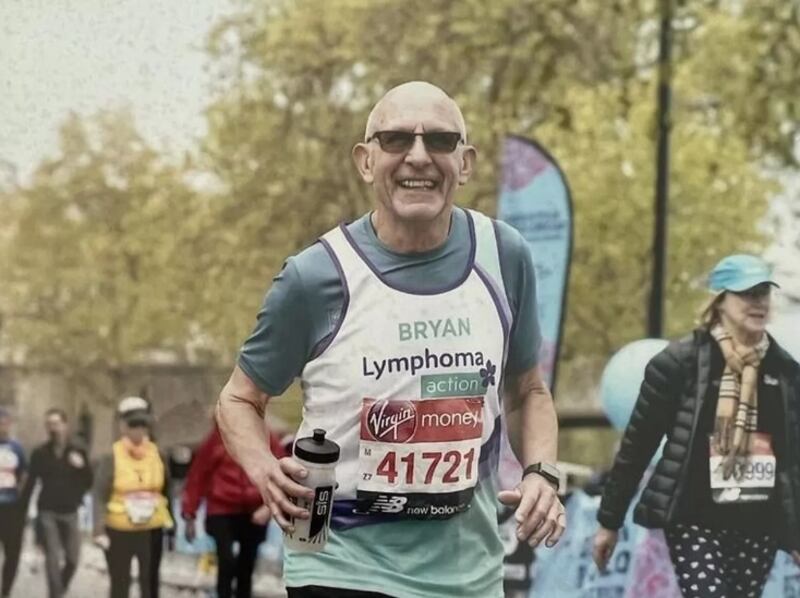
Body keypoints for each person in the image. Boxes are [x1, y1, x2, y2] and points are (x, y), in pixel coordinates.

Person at [216, 80, 565, 598]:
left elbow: (527, 392)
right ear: (365, 160)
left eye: (441, 142)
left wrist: (542, 474)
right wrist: (263, 469)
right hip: (340, 563)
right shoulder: (316, 277)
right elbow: (240, 398)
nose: (418, 157)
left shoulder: (503, 255)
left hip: (466, 576)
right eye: (397, 139)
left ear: (465, 164)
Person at [592, 254, 800, 598]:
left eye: (763, 292)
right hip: (693, 518)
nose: (758, 302)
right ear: (720, 299)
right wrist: (609, 522)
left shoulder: (784, 371)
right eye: (747, 293)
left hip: (757, 521)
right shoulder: (679, 363)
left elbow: (792, 460)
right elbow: (638, 445)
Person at [181, 420, 284, 598]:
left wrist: (269, 507)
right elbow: (198, 476)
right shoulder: (216, 439)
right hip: (221, 509)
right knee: (226, 561)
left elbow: (280, 473)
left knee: (247, 565)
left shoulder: (267, 438)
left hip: (255, 510)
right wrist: (190, 513)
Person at [93, 396, 174, 598]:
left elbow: (167, 490)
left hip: (151, 528)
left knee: (150, 582)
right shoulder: (111, 456)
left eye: (143, 424)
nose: (139, 430)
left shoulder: (158, 454)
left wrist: (172, 527)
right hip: (119, 530)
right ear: (123, 427)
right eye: (133, 424)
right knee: (120, 582)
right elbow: (99, 494)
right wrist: (98, 529)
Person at [21, 408, 93, 598]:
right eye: (49, 424)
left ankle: (59, 590)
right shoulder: (40, 453)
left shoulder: (78, 450)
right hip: (47, 511)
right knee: (52, 559)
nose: (53, 428)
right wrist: (21, 511)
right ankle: (55, 594)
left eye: (56, 423)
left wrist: (82, 467)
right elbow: (30, 483)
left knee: (73, 559)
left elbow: (89, 482)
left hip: (71, 511)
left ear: (65, 425)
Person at [0, 408, 26, 598]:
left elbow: (24, 474)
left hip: (11, 507)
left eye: (4, 422)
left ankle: (6, 591)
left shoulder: (16, 447)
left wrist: (20, 496)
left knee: (13, 552)